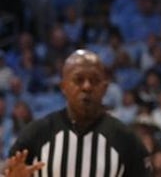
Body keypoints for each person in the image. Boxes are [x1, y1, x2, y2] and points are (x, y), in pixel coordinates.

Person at [5, 50, 151, 177]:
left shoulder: (126, 139)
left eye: (94, 80)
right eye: (78, 80)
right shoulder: (36, 134)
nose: (87, 86)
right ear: (63, 87)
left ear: (104, 88)